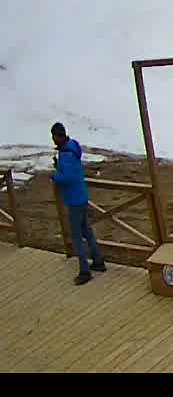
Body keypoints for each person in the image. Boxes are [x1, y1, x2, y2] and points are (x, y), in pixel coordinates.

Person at [51, 122, 105, 285]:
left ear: (58, 136)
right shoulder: (72, 147)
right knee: (86, 231)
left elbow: (66, 177)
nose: (53, 139)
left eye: (54, 136)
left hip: (74, 199)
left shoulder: (66, 154)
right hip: (81, 195)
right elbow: (72, 171)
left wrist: (55, 176)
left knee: (76, 236)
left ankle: (84, 271)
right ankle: (98, 261)